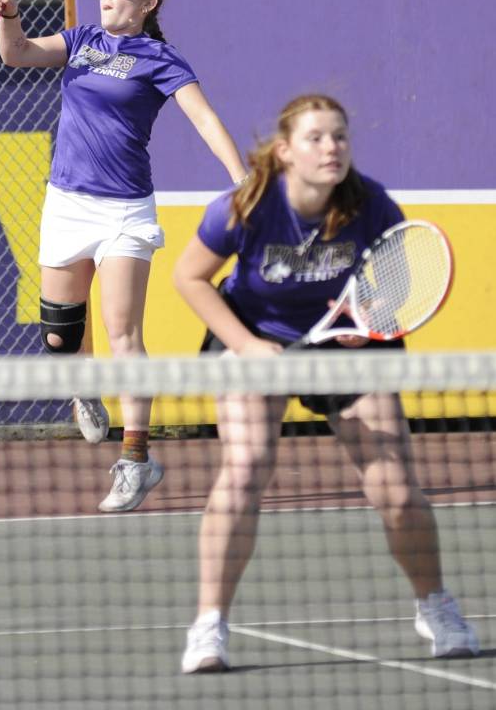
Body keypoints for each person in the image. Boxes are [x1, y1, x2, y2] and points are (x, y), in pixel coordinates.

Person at [173, 94, 480, 673]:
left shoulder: (369, 204)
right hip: (255, 338)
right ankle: (209, 625)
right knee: (245, 469)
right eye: (316, 138)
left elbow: (393, 287)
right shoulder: (245, 206)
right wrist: (246, 346)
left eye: (339, 136)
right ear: (285, 151)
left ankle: (435, 604)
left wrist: (373, 322)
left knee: (393, 486)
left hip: (344, 347)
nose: (332, 148)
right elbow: (189, 278)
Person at [0, 0, 246, 513]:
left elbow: (203, 118)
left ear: (147, 3)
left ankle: (136, 460)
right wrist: (8, 15)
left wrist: (241, 178)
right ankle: (85, 384)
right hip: (66, 205)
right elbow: (17, 53)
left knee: (123, 332)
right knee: (59, 338)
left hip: (125, 212)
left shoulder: (160, 59)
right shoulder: (81, 39)